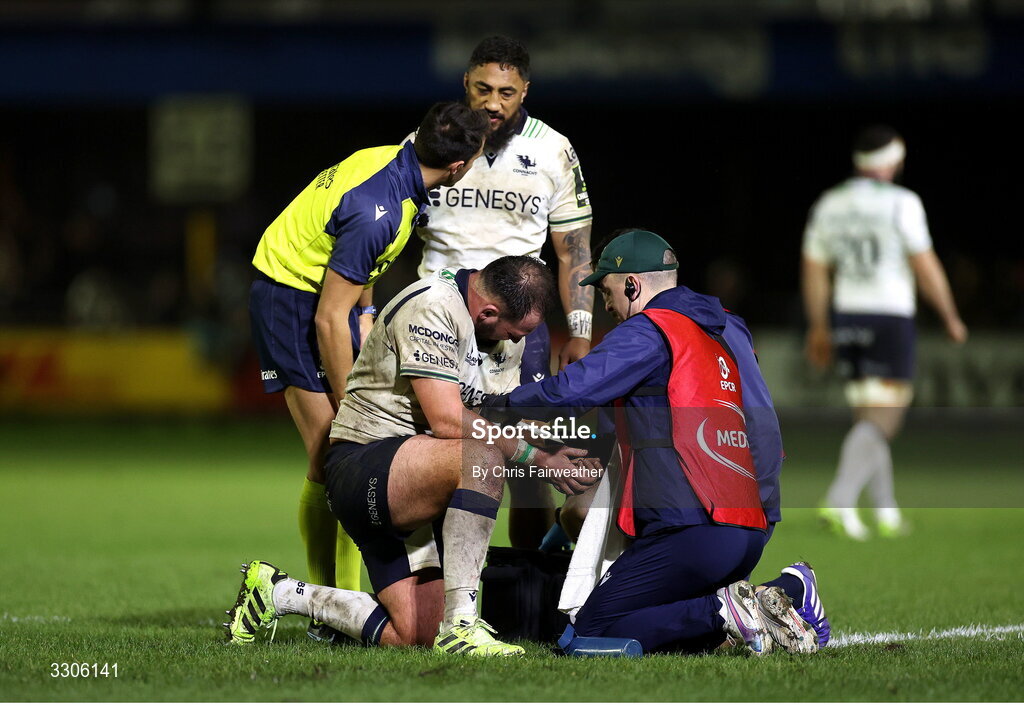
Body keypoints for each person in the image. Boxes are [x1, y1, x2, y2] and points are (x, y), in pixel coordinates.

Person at [478, 229, 830, 656]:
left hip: (691, 531)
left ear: (632, 285)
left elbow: (567, 393)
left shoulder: (648, 330)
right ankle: (786, 588)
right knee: (669, 634)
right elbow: (763, 428)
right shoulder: (730, 327)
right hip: (748, 529)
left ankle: (726, 612)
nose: (605, 307)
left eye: (607, 292)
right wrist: (764, 513)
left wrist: (490, 405)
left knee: (592, 631)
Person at [227, 256, 599, 656]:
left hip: (422, 474)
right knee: (483, 457)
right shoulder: (433, 306)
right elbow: (447, 420)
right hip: (365, 464)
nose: (513, 341)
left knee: (415, 633)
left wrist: (553, 444)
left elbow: (490, 413)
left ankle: (279, 593)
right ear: (489, 311)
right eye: (511, 331)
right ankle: (461, 627)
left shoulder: (504, 333)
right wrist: (534, 458)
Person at [247, 101, 489, 642]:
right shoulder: (381, 208)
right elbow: (330, 316)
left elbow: (359, 288)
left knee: (336, 454)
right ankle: (324, 610)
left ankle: (334, 604)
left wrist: (367, 322)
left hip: (313, 296)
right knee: (332, 454)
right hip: (290, 298)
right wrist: (354, 405)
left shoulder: (394, 166)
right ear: (459, 167)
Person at [405, 36, 597, 548]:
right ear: (465, 83)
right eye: (484, 89)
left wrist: (579, 330)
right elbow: (388, 233)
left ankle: (526, 586)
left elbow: (573, 250)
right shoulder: (426, 144)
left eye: (507, 92)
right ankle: (438, 594)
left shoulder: (553, 150)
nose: (494, 102)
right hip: (437, 322)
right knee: (436, 452)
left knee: (529, 470)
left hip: (517, 331)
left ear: (525, 90)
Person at [802, 125, 968, 540]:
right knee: (885, 417)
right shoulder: (902, 202)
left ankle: (885, 510)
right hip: (889, 316)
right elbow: (924, 265)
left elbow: (814, 268)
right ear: (892, 160)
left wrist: (819, 324)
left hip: (848, 316)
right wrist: (950, 315)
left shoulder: (831, 203)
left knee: (868, 414)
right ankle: (840, 498)